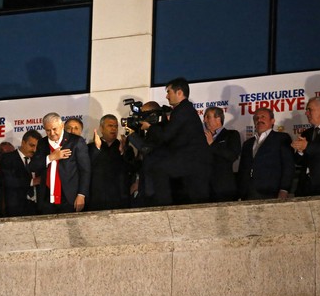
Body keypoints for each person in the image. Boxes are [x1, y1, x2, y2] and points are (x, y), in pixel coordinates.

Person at [138, 78, 212, 206]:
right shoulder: (184, 110)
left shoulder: (183, 110)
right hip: (191, 163)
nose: (167, 96)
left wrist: (151, 126)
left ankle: (164, 207)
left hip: (192, 162)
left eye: (169, 92)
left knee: (159, 168)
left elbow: (166, 136)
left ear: (179, 93)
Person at [28, 112, 91, 214]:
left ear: (62, 126)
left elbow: (85, 170)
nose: (52, 133)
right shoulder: (42, 143)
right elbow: (33, 166)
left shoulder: (76, 141)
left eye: (54, 129)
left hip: (70, 198)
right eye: (48, 130)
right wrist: (51, 157)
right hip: (47, 198)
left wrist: (81, 194)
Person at [237, 108, 294, 200]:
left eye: (263, 117)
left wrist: (284, 189)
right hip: (247, 194)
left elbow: (288, 166)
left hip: (271, 192)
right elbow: (242, 169)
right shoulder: (247, 143)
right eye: (256, 118)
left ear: (272, 121)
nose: (259, 120)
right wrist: (240, 193)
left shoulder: (281, 138)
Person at [88, 114, 130, 210]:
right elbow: (87, 167)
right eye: (110, 126)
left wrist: (123, 152)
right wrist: (97, 148)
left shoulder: (124, 147)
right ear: (101, 128)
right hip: (96, 198)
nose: (113, 129)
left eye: (115, 126)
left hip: (119, 198)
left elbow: (131, 168)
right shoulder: (91, 147)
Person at [0, 130, 42, 217]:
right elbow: (8, 180)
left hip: (36, 209)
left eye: (37, 147)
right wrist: (31, 182)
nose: (34, 150)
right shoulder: (7, 158)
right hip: (15, 209)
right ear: (23, 143)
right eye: (32, 145)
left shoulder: (39, 159)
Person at [203, 107, 241, 202]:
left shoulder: (231, 135)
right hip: (204, 190)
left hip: (223, 189)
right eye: (204, 117)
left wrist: (212, 144)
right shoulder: (201, 138)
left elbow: (232, 156)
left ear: (218, 118)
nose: (204, 120)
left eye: (208, 117)